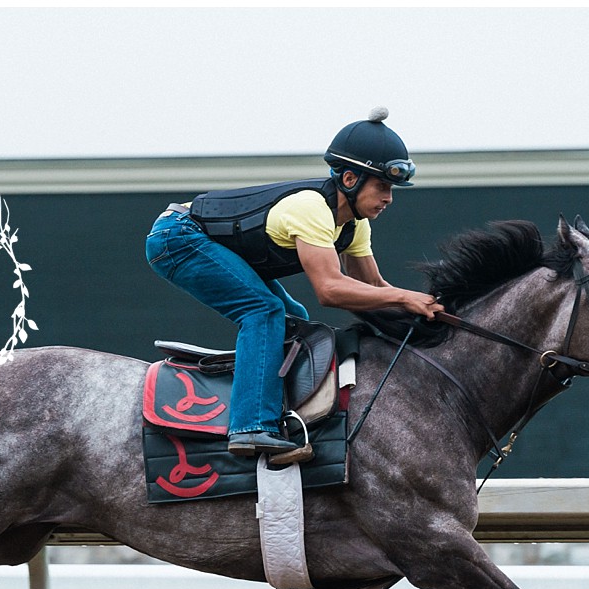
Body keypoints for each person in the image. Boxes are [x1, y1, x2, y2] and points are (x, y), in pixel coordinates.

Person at [146, 107, 444, 462]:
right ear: (350, 179)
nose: (389, 198)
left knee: (294, 317)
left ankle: (282, 415)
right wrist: (406, 297)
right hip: (177, 237)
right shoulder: (312, 209)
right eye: (382, 186)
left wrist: (424, 314)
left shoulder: (354, 225)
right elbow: (330, 290)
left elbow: (373, 287)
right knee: (263, 311)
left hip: (204, 239)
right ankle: (250, 426)